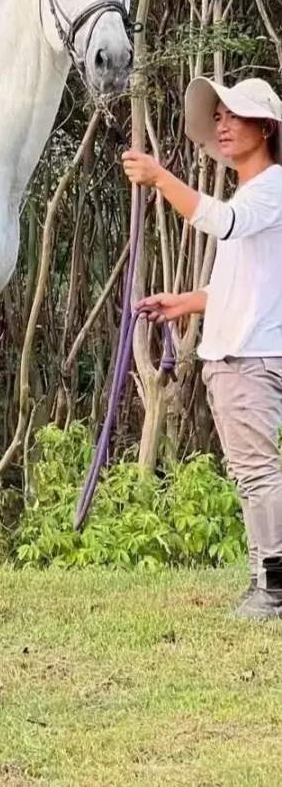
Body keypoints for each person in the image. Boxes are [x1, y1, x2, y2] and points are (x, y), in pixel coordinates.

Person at [122, 76, 282, 621]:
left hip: (248, 358)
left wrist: (160, 177)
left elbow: (224, 222)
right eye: (219, 116)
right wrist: (184, 303)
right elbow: (237, 286)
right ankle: (264, 578)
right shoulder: (254, 193)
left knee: (258, 472)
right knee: (249, 471)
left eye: (235, 114)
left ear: (266, 127)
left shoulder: (272, 188)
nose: (223, 123)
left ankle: (274, 587)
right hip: (232, 356)